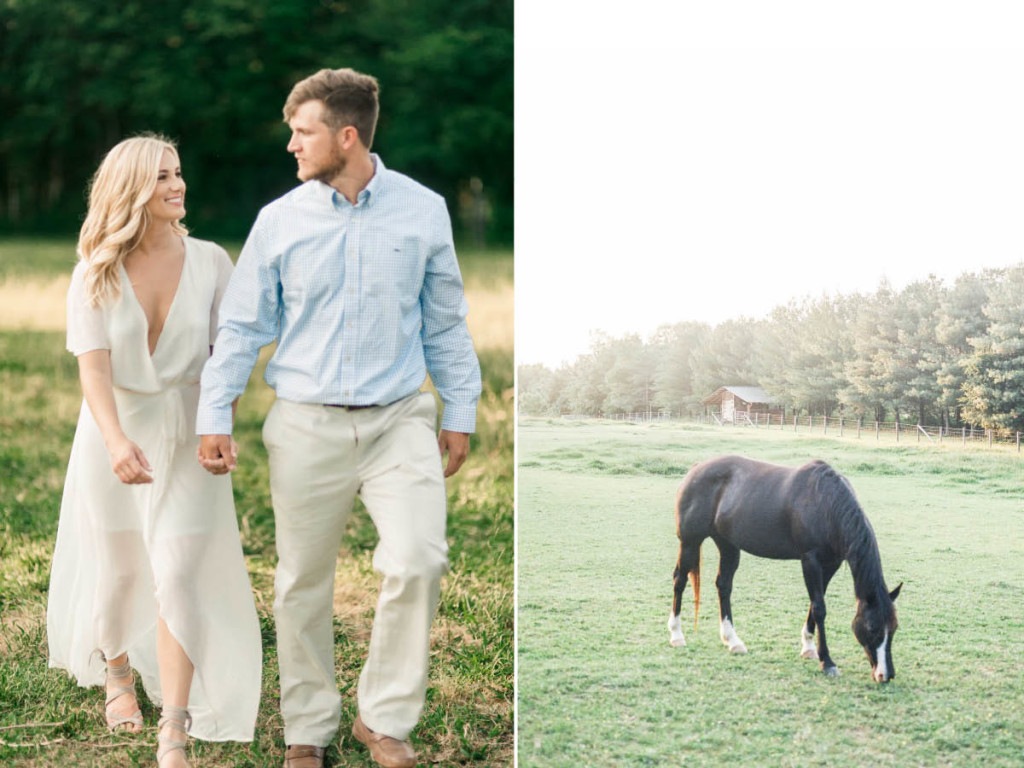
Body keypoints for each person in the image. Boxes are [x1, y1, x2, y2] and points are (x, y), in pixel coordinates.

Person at [196, 68, 481, 768]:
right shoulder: (280, 221)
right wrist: (215, 412)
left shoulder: (423, 211)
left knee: (418, 559)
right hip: (305, 424)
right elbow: (240, 328)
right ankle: (308, 730)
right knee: (301, 583)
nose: (292, 145)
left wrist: (460, 408)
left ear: (346, 136)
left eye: (304, 132)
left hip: (398, 422)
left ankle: (383, 719)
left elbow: (445, 322)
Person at [47, 135, 262, 768]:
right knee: (119, 571)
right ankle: (115, 670)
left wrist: (220, 425)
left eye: (178, 173)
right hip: (115, 427)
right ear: (131, 190)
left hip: (191, 427)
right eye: (162, 177)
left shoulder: (212, 262)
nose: (177, 185)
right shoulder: (96, 270)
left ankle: (175, 721)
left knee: (178, 571)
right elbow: (93, 369)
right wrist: (115, 440)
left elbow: (229, 357)